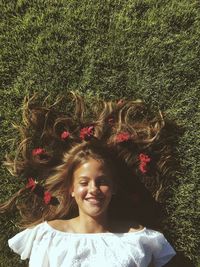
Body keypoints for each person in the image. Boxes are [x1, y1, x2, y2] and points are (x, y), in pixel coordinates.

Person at [0, 92, 179, 267]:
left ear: (114, 187)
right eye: (84, 182)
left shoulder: (137, 239)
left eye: (102, 182)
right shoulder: (48, 237)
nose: (93, 189)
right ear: (71, 189)